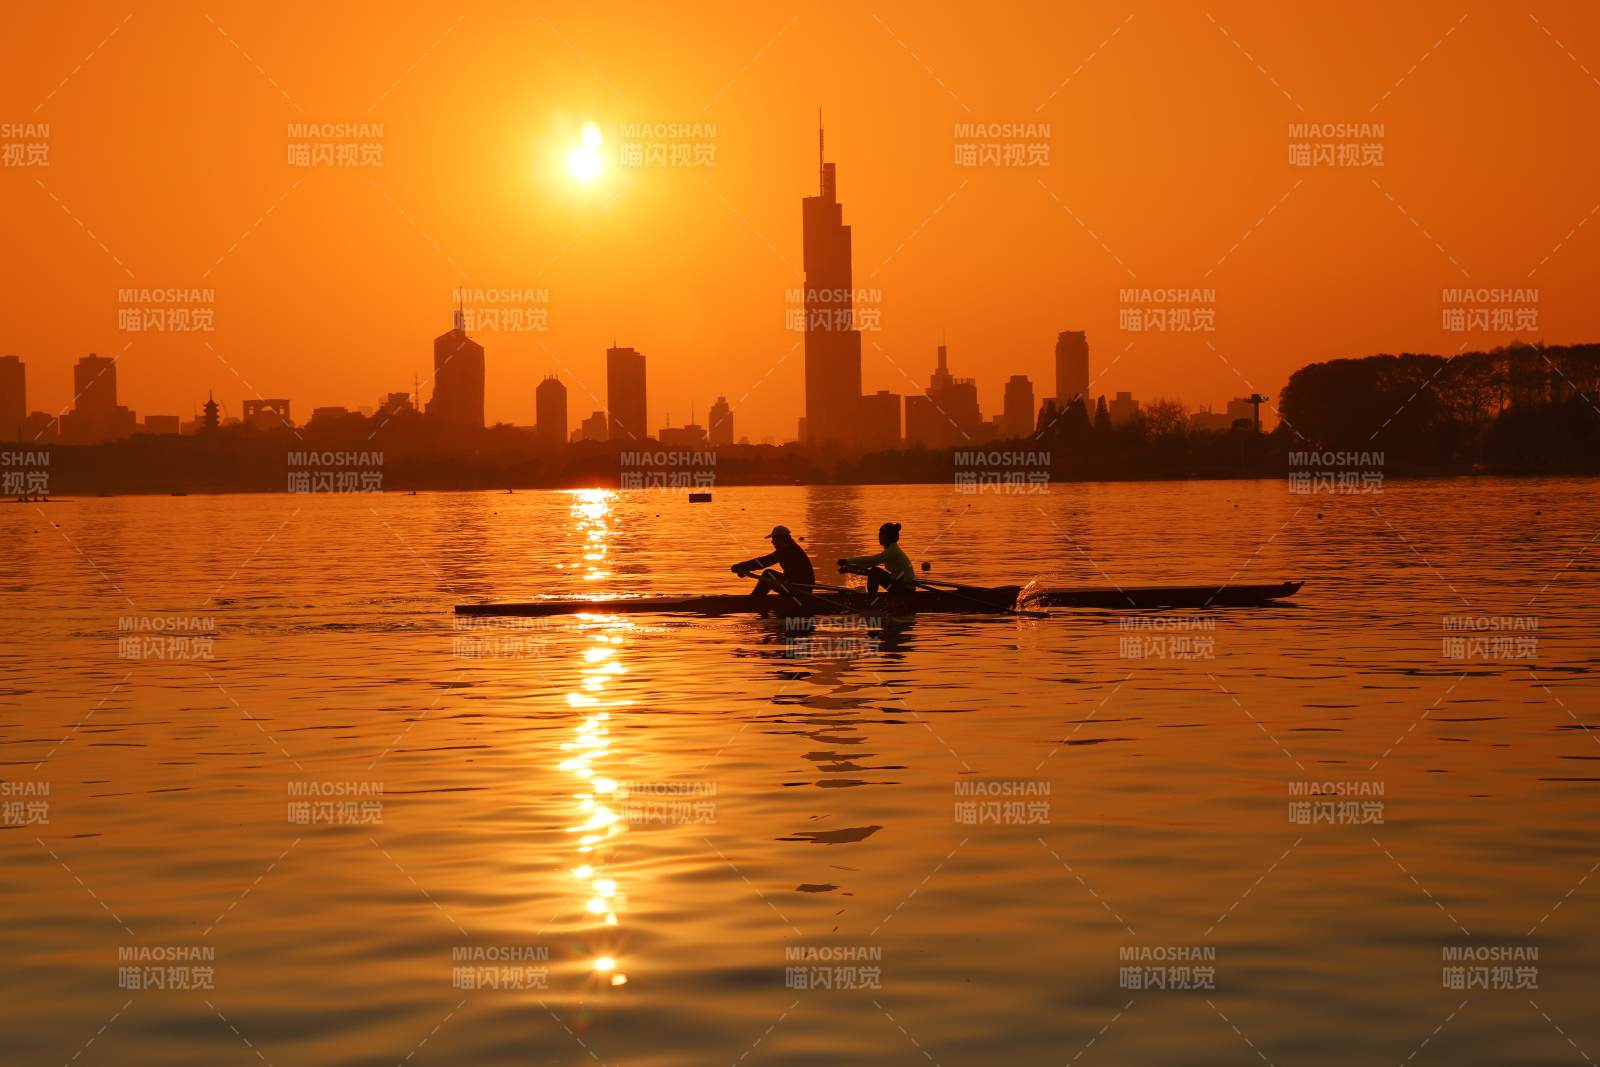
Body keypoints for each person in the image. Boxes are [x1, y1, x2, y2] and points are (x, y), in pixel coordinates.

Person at [731, 525, 815, 598]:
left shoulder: (788, 550)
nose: (772, 541)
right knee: (769, 575)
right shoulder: (790, 547)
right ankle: (757, 599)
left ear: (782, 538)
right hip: (797, 585)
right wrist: (745, 568)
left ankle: (754, 601)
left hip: (801, 588)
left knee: (768, 574)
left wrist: (741, 566)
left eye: (774, 538)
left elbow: (765, 562)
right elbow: (764, 561)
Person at [839, 522, 916, 594]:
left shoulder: (892, 551)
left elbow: (871, 559)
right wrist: (848, 568)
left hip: (906, 588)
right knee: (874, 570)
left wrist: (848, 561)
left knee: (874, 572)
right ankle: (872, 597)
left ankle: (871, 598)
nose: (879, 537)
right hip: (900, 584)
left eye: (881, 535)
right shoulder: (891, 549)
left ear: (889, 537)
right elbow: (869, 564)